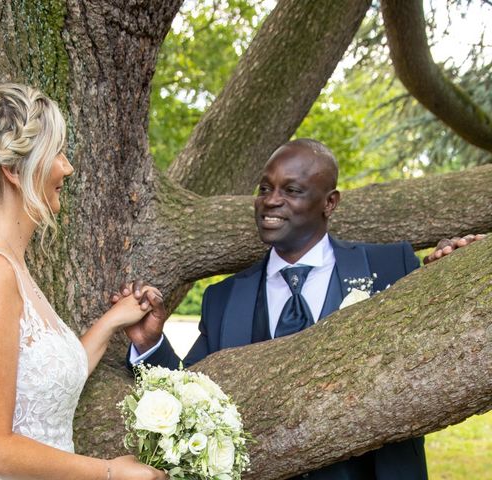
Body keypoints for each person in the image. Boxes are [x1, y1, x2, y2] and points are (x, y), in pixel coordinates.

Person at [120, 139, 484, 480]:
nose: (270, 201)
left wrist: (454, 270)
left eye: (291, 191)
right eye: (264, 189)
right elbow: (191, 397)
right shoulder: (225, 297)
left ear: (330, 203)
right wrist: (150, 344)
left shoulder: (391, 266)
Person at [0, 82, 167, 480]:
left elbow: (39, 376)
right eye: (56, 153)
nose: (67, 168)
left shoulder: (6, 262)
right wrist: (112, 472)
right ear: (12, 170)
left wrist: (113, 321)